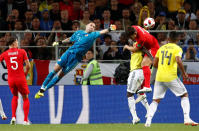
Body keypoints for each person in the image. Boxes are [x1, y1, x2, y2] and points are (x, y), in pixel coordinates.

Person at [35, 22, 116, 99]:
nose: (92, 27)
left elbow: (102, 32)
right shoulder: (78, 32)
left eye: (94, 27)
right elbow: (70, 39)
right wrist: (60, 42)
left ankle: (43, 91)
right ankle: (41, 88)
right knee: (55, 70)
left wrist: (110, 29)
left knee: (60, 75)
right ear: (87, 26)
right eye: (91, 25)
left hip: (76, 59)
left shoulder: (93, 35)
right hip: (68, 53)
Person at [145, 31, 198, 127]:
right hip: (171, 76)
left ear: (168, 39)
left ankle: (148, 121)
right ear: (177, 40)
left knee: (155, 100)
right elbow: (178, 60)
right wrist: (183, 73)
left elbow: (155, 64)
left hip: (159, 77)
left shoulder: (161, 48)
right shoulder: (177, 48)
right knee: (184, 95)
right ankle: (187, 118)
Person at [0, 36, 31, 125]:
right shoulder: (22, 51)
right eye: (17, 42)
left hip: (11, 79)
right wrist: (24, 75)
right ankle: (25, 120)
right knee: (25, 98)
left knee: (15, 96)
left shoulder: (5, 54)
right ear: (13, 43)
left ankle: (13, 117)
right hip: (20, 78)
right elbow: (28, 66)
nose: (18, 43)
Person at [125, 25, 160, 93]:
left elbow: (134, 50)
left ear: (135, 33)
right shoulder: (134, 27)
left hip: (153, 47)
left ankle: (147, 86)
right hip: (149, 45)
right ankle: (145, 88)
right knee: (145, 65)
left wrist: (127, 47)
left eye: (131, 37)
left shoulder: (141, 39)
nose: (131, 39)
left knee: (145, 63)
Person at [123, 42, 149, 125]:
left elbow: (138, 47)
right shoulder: (136, 50)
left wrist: (126, 46)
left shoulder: (141, 48)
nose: (134, 45)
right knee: (139, 93)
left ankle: (135, 117)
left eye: (135, 44)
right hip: (140, 73)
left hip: (136, 72)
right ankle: (149, 110)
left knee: (129, 94)